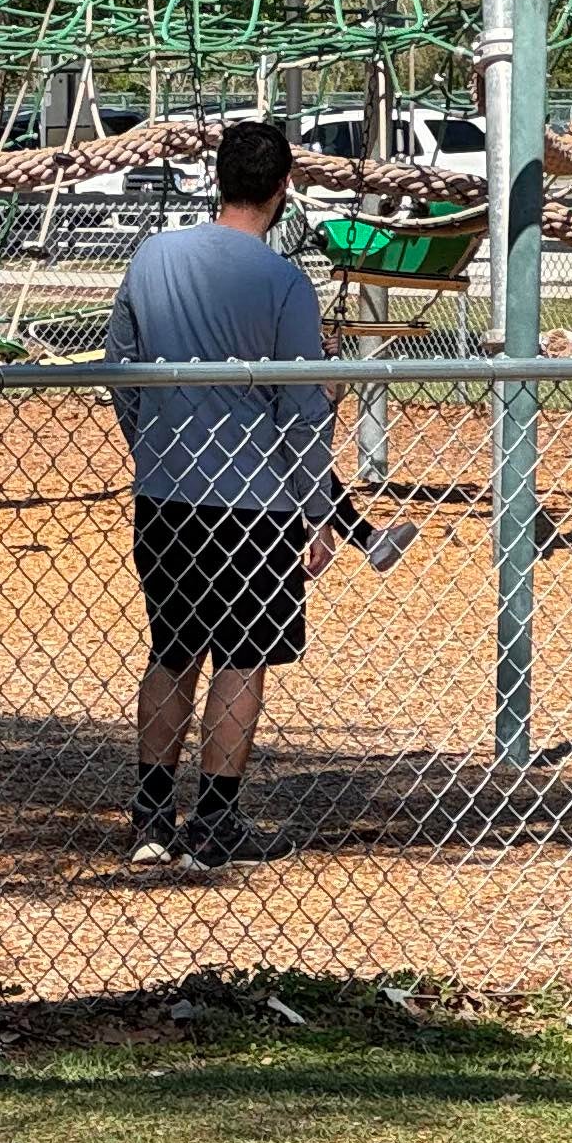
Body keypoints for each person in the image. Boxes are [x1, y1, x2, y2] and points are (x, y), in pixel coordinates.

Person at [103, 117, 341, 870]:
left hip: (168, 493)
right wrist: (317, 509)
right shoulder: (283, 281)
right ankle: (214, 821)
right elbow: (301, 410)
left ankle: (149, 816)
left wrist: (153, 442)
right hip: (255, 502)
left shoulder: (152, 257)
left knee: (172, 650)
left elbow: (122, 366)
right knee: (242, 656)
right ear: (282, 188)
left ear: (217, 176)